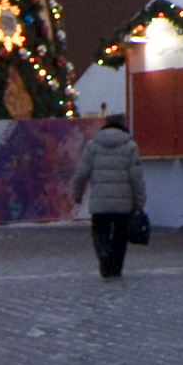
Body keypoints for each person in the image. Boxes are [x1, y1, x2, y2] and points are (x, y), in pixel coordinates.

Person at [70, 113, 144, 278]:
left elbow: (81, 173)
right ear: (123, 124)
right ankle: (115, 269)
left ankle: (104, 256)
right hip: (123, 203)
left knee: (99, 232)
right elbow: (136, 178)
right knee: (120, 237)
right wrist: (140, 202)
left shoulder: (92, 146)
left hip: (100, 202)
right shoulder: (130, 146)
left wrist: (77, 195)